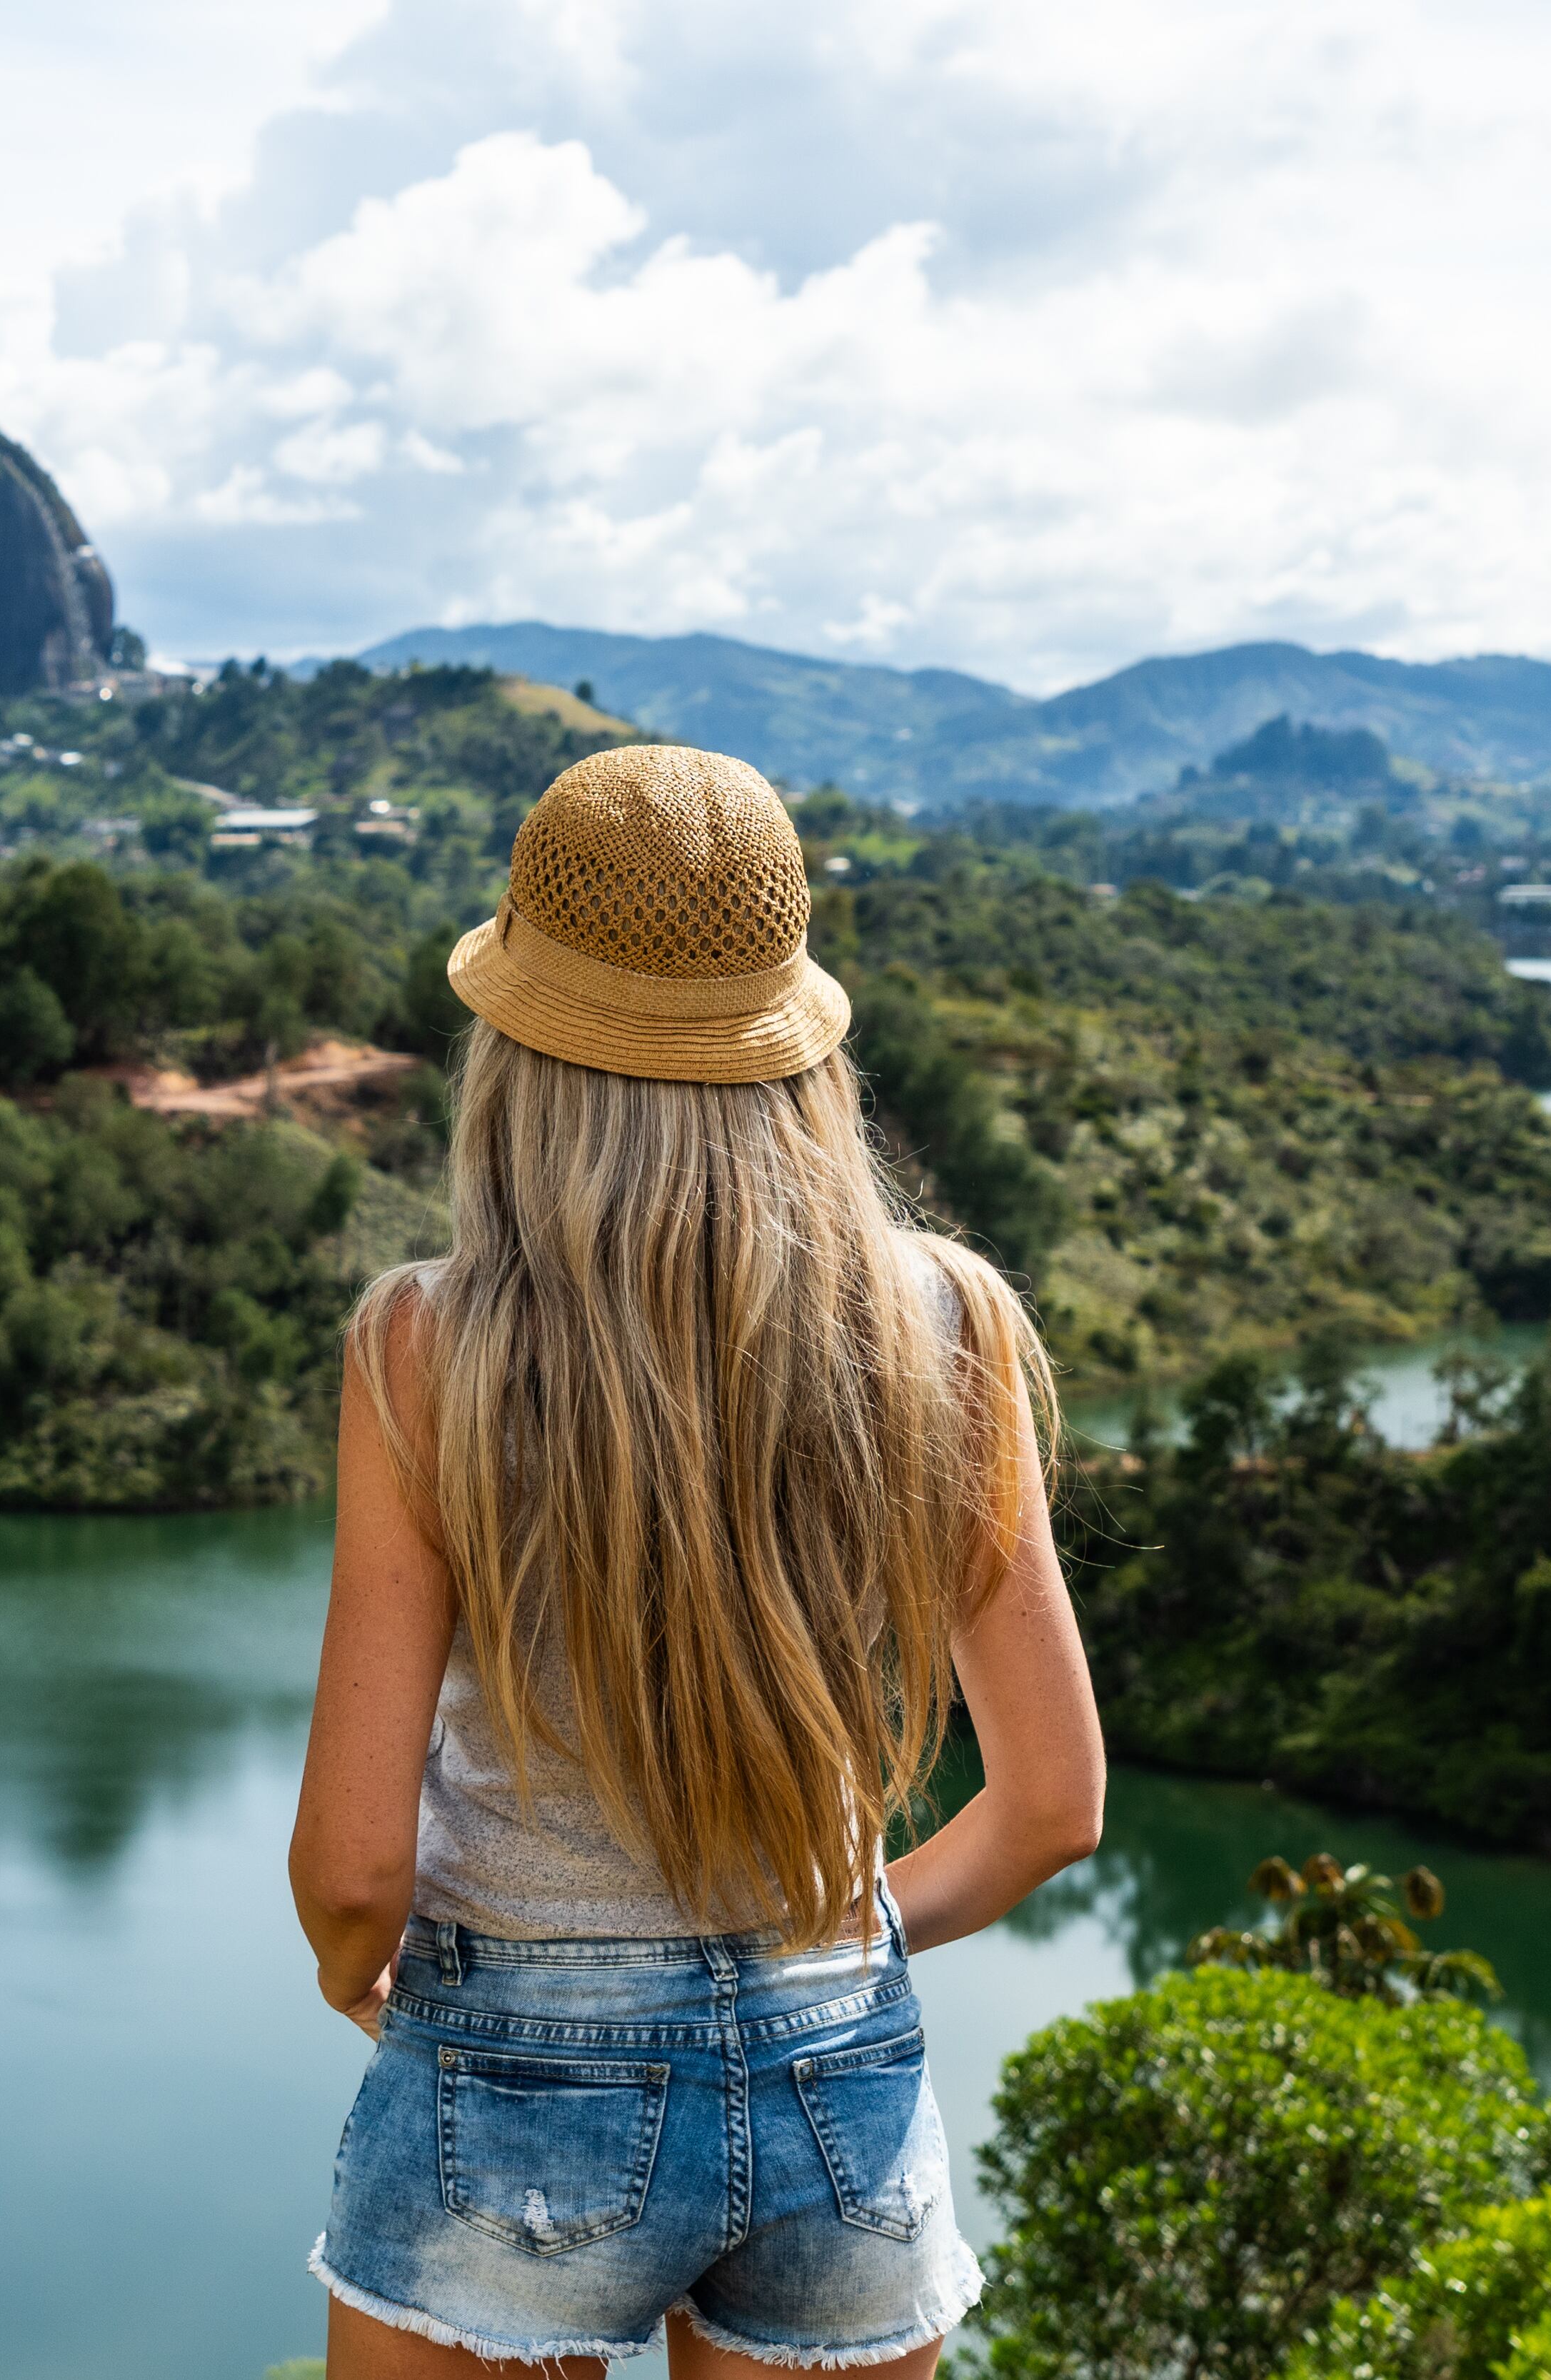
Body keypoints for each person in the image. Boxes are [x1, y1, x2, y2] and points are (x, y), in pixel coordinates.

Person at [290, 745, 1105, 2377]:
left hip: (507, 2067)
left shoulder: (425, 1349)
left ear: (515, 1042)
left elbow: (356, 1865)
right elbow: (1051, 1809)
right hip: (838, 2069)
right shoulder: (942, 1320)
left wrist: (354, 1967)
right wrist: (828, 1948)